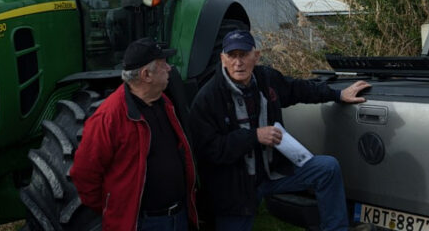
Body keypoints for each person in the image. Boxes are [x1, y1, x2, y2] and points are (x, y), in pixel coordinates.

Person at [189, 30, 371, 231]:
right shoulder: (208, 98)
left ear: (256, 56)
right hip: (235, 188)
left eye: (243, 55)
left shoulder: (267, 78)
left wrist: (338, 94)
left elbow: (298, 89)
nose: (238, 62)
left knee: (327, 168)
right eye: (232, 56)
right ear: (223, 59)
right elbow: (208, 150)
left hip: (272, 173)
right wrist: (255, 136)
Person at [71, 37, 198, 231]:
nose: (169, 69)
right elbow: (84, 175)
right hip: (143, 224)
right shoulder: (108, 118)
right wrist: (115, 208)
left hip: (178, 217)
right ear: (147, 75)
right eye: (163, 64)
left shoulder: (165, 102)